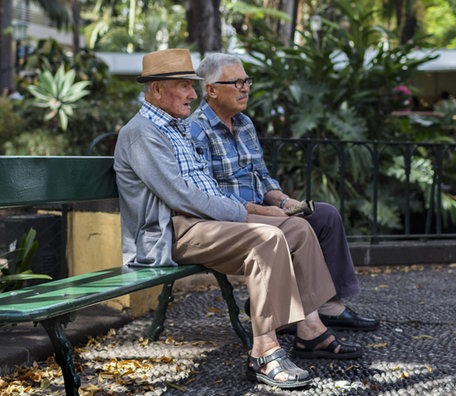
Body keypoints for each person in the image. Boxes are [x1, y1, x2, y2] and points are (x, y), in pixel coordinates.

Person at [113, 48, 363, 389]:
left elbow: (205, 185)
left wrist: (267, 206)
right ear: (157, 90)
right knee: (268, 238)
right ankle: (264, 351)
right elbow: (181, 196)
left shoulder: (176, 127)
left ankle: (309, 329)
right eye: (185, 87)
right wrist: (247, 212)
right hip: (171, 231)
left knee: (299, 230)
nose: (192, 94)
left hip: (203, 221)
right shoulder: (143, 132)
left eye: (193, 86)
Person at [188, 53, 379, 332]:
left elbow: (262, 175)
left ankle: (329, 303)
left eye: (247, 81)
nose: (245, 88)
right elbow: (209, 195)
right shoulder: (196, 129)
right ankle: (302, 313)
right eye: (237, 82)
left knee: (325, 215)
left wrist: (284, 200)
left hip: (262, 209)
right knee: (295, 227)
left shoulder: (244, 124)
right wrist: (264, 211)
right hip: (230, 218)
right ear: (212, 90)